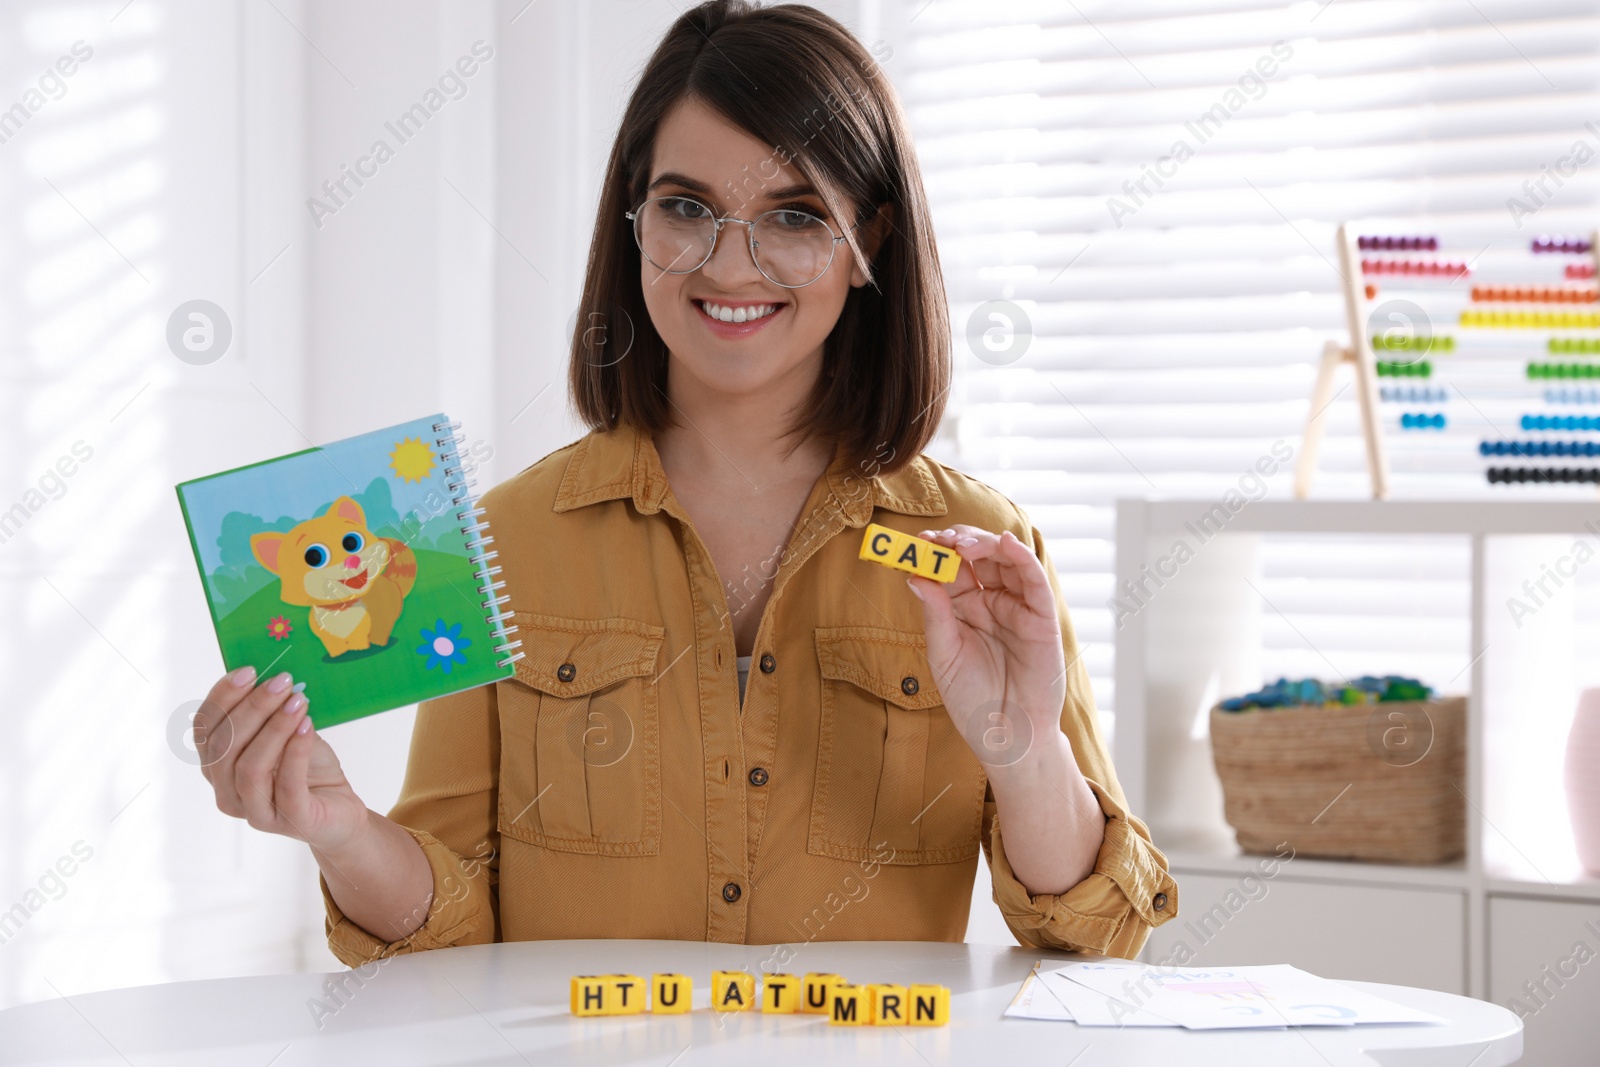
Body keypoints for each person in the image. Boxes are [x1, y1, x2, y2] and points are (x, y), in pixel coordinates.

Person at [192, 0, 1177, 967]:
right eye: (687, 207)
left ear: (868, 240)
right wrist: (339, 827)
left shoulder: (975, 547)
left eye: (794, 215)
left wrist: (1019, 747)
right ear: (635, 219)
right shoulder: (504, 537)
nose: (731, 263)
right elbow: (447, 929)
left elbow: (1093, 926)